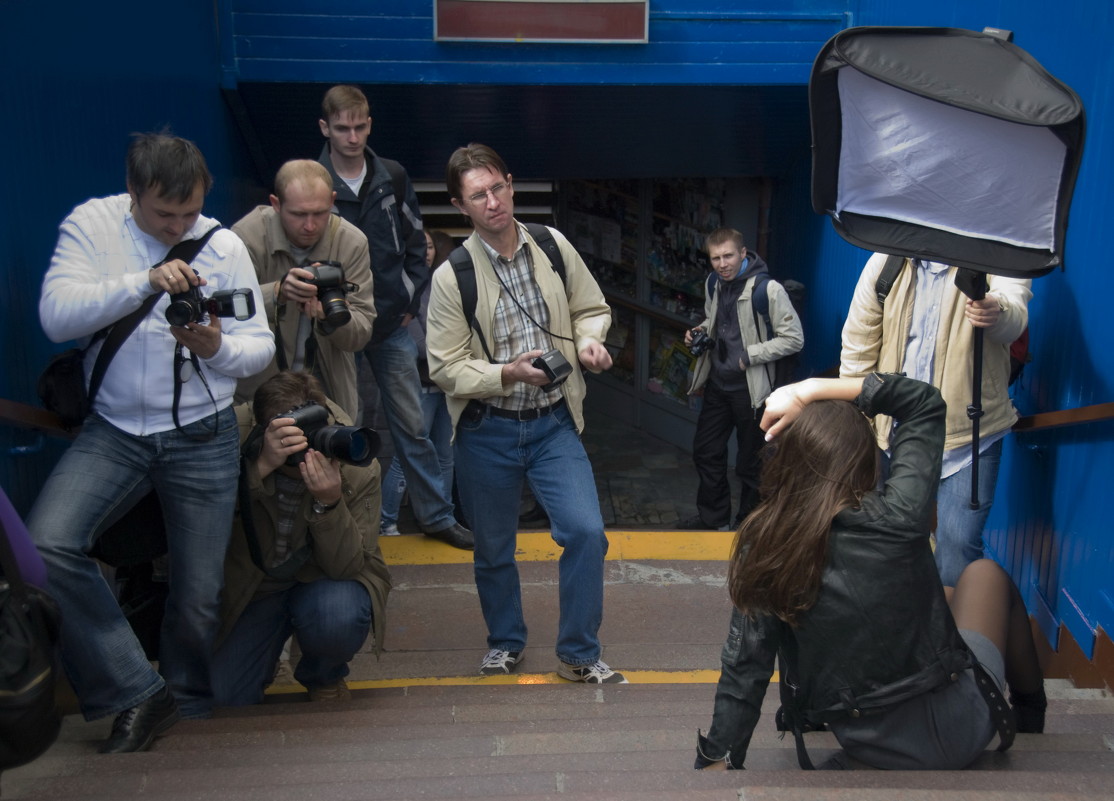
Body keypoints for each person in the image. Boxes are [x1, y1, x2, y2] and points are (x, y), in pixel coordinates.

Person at [30, 132, 275, 752]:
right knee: (47, 544)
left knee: (198, 592)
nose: (178, 225)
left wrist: (215, 348)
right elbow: (57, 316)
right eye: (165, 213)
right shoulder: (94, 224)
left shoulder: (222, 244)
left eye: (190, 211)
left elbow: (261, 345)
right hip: (114, 431)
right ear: (133, 193)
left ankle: (188, 702)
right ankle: (138, 690)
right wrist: (144, 282)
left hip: (203, 430)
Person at [694, 373, 1047, 771]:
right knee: (984, 575)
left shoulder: (769, 548)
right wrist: (810, 389)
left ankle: (1024, 709)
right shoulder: (899, 515)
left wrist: (719, 757)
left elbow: (746, 666)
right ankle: (1031, 712)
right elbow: (923, 401)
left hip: (865, 740)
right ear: (863, 461)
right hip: (957, 729)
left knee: (946, 595)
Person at [426, 142, 624, 684]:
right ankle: (505, 642)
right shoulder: (452, 276)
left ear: (510, 184)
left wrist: (588, 343)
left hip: (553, 422)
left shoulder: (551, 244)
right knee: (493, 549)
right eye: (477, 196)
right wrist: (506, 373)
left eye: (497, 188)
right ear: (459, 205)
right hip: (487, 430)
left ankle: (579, 654)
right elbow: (445, 368)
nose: (492, 203)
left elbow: (591, 307)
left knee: (586, 532)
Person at [316, 84, 472, 550]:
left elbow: (414, 244)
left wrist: (407, 304)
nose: (352, 136)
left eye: (360, 126)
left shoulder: (393, 176)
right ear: (325, 128)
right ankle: (345, 520)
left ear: (370, 123)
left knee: (413, 427)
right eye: (342, 128)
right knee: (340, 423)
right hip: (335, 328)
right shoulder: (314, 181)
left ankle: (434, 516)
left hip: (389, 326)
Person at [840, 254, 1032, 585]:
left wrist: (996, 310)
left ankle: (952, 634)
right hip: (894, 434)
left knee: (958, 548)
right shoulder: (887, 261)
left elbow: (1014, 310)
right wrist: (855, 422)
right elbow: (859, 344)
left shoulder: (990, 250)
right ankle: (894, 628)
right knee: (885, 539)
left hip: (970, 437)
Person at [211, 372, 390, 705]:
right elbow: (201, 526)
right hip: (255, 586)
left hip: (322, 578)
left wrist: (330, 502)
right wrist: (258, 469)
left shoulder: (354, 460)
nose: (309, 446)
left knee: (338, 615)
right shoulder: (230, 436)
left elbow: (347, 566)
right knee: (225, 696)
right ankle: (263, 660)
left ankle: (324, 674)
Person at [231, 160, 376, 423]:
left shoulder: (351, 242)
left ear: (333, 200)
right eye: (298, 215)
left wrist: (330, 317)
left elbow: (360, 335)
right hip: (259, 392)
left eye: (320, 213)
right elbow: (229, 314)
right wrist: (277, 293)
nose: (310, 225)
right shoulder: (246, 236)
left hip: (326, 388)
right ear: (276, 204)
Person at [678, 228, 803, 531]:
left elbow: (794, 338)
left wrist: (750, 355)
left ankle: (747, 523)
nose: (722, 264)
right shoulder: (714, 284)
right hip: (718, 385)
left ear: (743, 253)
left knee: (751, 463)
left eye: (728, 256)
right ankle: (713, 518)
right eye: (715, 258)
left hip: (752, 391)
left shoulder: (767, 289)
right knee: (706, 452)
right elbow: (716, 321)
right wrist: (699, 331)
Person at [380, 229, 456, 536]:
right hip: (422, 382)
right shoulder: (410, 286)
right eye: (420, 247)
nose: (425, 252)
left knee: (445, 455)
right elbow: (416, 341)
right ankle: (385, 520)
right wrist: (451, 353)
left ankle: (443, 519)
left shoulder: (442, 282)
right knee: (407, 455)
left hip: (446, 385)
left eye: (429, 247)